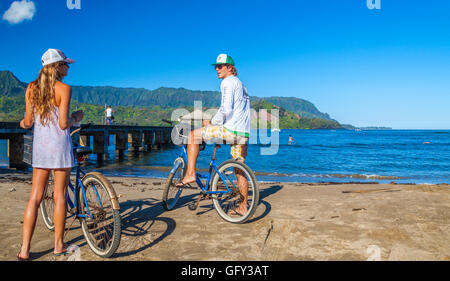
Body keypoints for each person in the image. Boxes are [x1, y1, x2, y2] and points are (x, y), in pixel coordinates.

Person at [17, 48, 84, 260]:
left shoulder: (31, 88)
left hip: (41, 149)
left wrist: (22, 123)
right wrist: (76, 117)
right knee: (59, 196)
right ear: (57, 66)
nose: (68, 67)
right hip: (59, 149)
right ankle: (58, 245)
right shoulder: (64, 89)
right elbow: (64, 124)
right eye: (66, 64)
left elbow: (28, 123)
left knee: (34, 198)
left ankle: (24, 250)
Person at [177, 54, 251, 216]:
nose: (217, 69)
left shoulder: (227, 82)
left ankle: (189, 174)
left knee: (193, 136)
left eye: (221, 66)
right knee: (239, 169)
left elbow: (226, 109)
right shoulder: (242, 85)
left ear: (230, 68)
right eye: (216, 66)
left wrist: (212, 124)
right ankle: (243, 206)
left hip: (231, 131)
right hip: (243, 133)